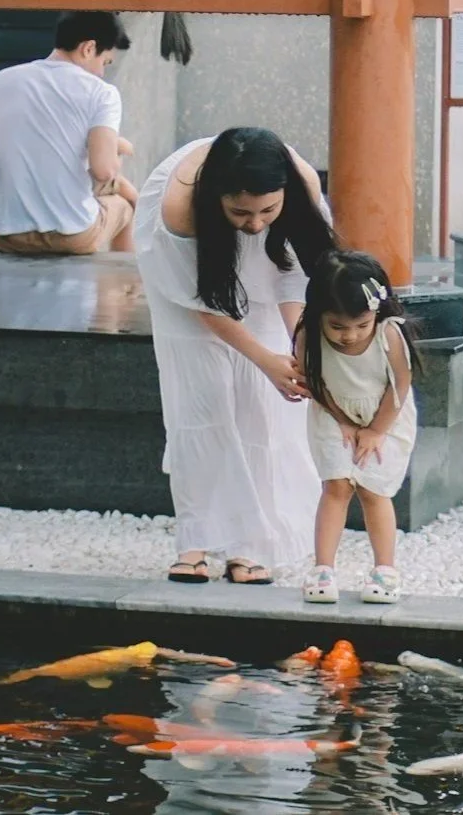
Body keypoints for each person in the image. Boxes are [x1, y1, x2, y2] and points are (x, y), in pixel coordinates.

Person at [134, 127, 336, 585]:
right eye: (242, 211)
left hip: (259, 271)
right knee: (200, 404)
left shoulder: (299, 186)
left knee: (259, 411)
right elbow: (203, 303)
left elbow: (294, 274)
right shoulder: (179, 210)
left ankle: (251, 546)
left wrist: (297, 346)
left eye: (269, 209)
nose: (257, 223)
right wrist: (266, 360)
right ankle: (194, 542)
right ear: (217, 197)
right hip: (188, 287)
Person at [295, 250, 419, 606]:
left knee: (372, 489)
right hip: (332, 410)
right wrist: (344, 421)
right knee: (336, 485)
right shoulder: (308, 334)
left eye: (360, 325)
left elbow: (401, 385)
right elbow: (313, 382)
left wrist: (376, 430)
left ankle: (385, 569)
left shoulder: (388, 333)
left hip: (386, 414)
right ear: (319, 314)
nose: (349, 335)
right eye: (337, 326)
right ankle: (322, 568)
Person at [0, 10, 136, 257]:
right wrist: (118, 149)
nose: (101, 72)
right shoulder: (101, 93)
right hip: (72, 236)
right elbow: (104, 171)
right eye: (105, 62)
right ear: (88, 48)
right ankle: (121, 289)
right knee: (125, 206)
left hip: (7, 237)